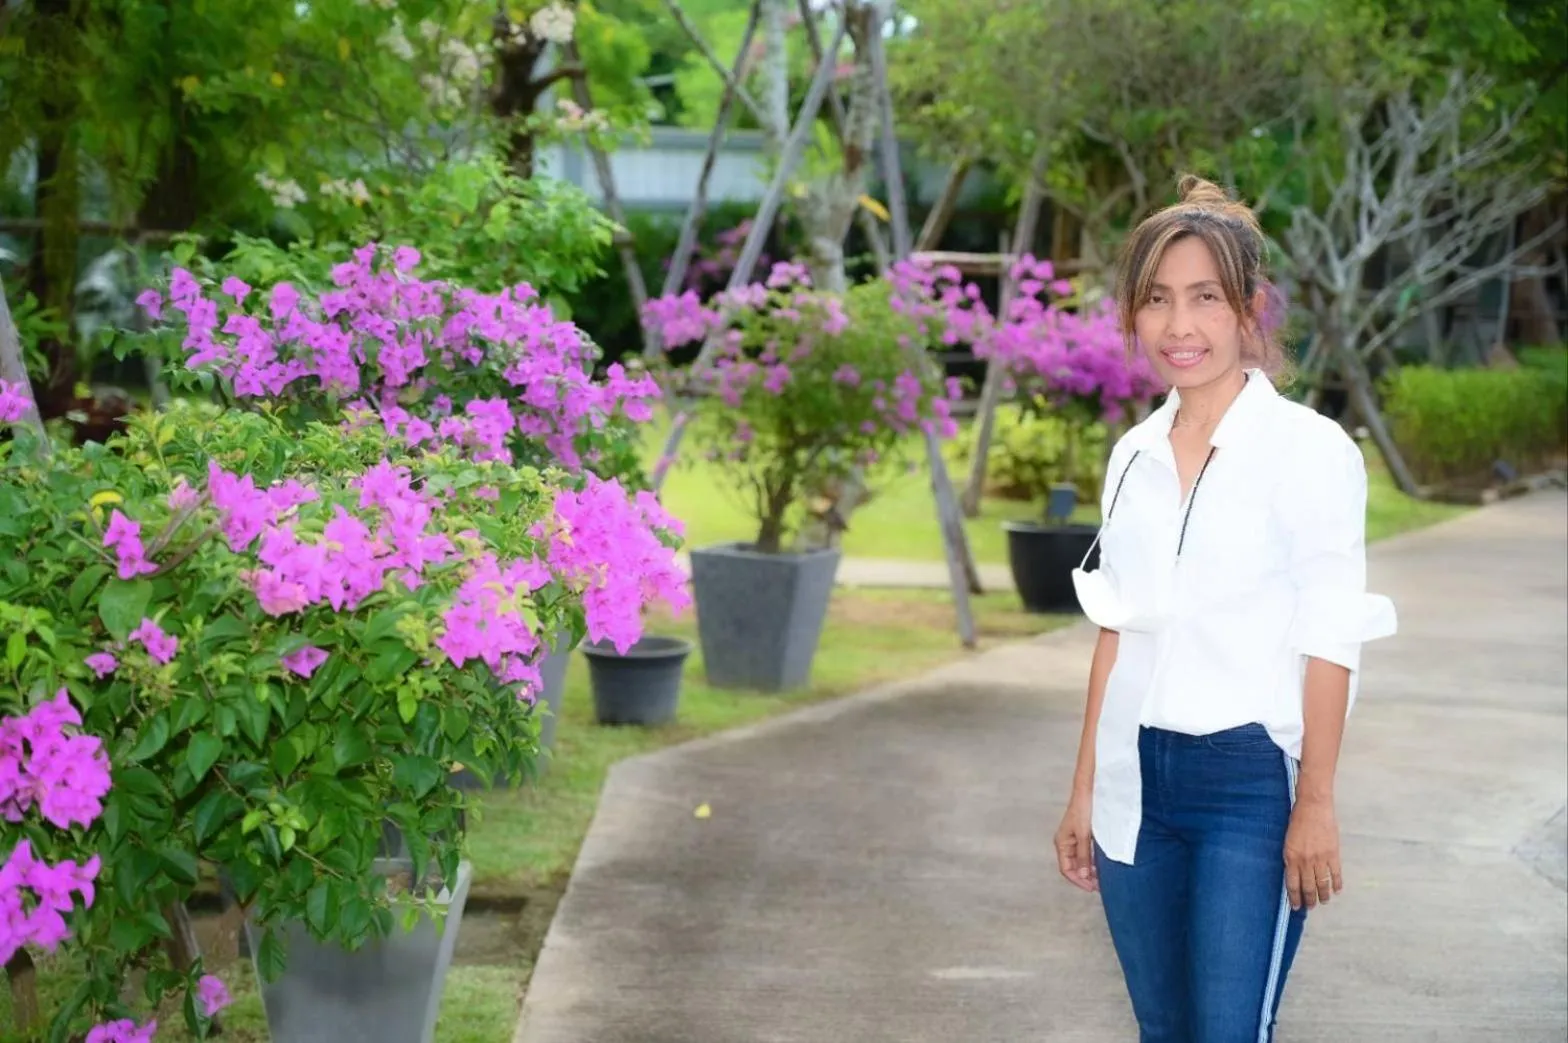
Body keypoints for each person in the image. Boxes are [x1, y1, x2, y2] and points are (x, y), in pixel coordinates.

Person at [1052, 175, 1399, 1043]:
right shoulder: (1132, 454)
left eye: (1205, 298)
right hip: (1136, 779)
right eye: (1158, 300)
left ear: (1248, 307)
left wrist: (1314, 800)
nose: (1180, 326)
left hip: (1249, 786)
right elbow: (1116, 630)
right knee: (1164, 1032)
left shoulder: (1310, 452)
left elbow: (1330, 637)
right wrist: (1084, 787)